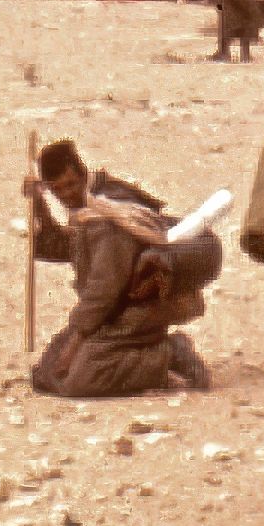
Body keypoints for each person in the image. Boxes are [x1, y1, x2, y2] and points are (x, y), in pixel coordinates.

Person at [27, 143, 220, 401]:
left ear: (83, 174)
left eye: (71, 185)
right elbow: (60, 247)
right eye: (57, 190)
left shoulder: (107, 217)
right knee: (46, 374)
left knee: (79, 381)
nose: (66, 195)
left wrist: (76, 340)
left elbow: (104, 290)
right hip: (111, 311)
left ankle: (170, 355)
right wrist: (38, 206)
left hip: (139, 307)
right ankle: (136, 354)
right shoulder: (86, 210)